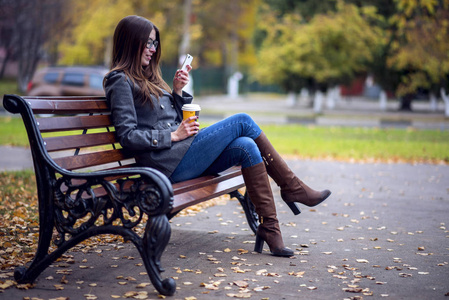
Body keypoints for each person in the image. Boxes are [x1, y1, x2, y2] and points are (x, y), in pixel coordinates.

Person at [103, 15, 331, 257]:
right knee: (242, 120)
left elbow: (170, 117)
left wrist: (177, 92)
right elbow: (128, 136)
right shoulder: (120, 80)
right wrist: (172, 136)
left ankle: (270, 228)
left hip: (182, 155)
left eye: (154, 43)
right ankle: (292, 187)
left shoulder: (151, 78)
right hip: (165, 165)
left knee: (246, 146)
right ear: (131, 42)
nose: (152, 49)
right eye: (147, 42)